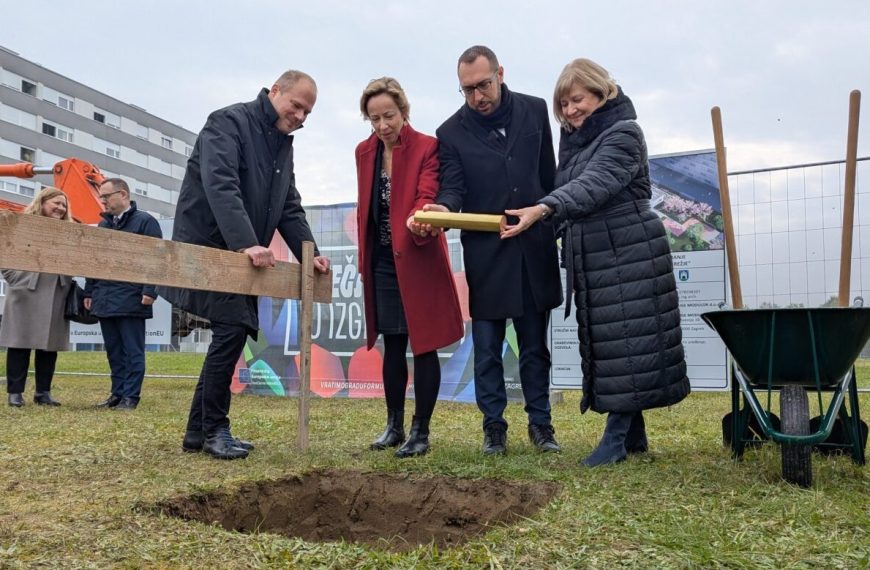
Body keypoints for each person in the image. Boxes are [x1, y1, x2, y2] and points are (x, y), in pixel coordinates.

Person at [500, 58, 690, 467]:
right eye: (563, 104)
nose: (570, 110)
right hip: (599, 254)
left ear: (602, 94)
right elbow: (572, 192)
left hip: (629, 249)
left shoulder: (624, 135)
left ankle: (616, 439)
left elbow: (595, 184)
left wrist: (544, 208)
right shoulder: (578, 145)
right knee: (617, 344)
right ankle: (633, 435)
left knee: (625, 338)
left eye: (578, 99)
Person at [160, 70, 330, 460]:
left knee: (230, 332)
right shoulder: (227, 122)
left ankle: (197, 431)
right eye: (296, 105)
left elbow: (288, 206)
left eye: (308, 112)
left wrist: (311, 252)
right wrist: (246, 242)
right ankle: (215, 428)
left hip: (243, 250)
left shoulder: (282, 145)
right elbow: (220, 184)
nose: (301, 116)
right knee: (233, 327)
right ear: (275, 91)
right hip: (211, 245)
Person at [426, 45, 563, 455]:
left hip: (533, 249)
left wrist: (549, 223)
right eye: (467, 90)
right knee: (487, 348)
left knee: (535, 346)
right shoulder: (450, 133)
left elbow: (548, 176)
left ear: (500, 73)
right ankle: (494, 428)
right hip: (487, 254)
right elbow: (454, 187)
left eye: (483, 85)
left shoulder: (536, 110)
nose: (476, 97)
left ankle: (541, 425)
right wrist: (444, 207)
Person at [355, 77, 464, 458]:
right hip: (383, 262)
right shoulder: (364, 152)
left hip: (418, 258)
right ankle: (394, 426)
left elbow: (426, 193)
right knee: (392, 344)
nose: (382, 125)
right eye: (374, 118)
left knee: (424, 346)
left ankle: (421, 431)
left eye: (388, 115)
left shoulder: (427, 147)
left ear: (404, 111)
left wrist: (420, 219)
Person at [84, 178, 162, 411]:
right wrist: (90, 290)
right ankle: (117, 394)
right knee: (114, 351)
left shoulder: (145, 222)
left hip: (132, 296)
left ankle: (131, 397)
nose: (103, 201)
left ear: (123, 195)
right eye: (102, 197)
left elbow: (157, 258)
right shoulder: (103, 225)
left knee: (132, 351)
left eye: (106, 196)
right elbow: (96, 261)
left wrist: (150, 290)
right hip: (105, 297)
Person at [1, 187, 74, 407]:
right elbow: (4, 253)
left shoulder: (68, 231)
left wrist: (65, 281)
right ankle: (15, 393)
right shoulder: (21, 225)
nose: (60, 208)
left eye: (64, 205)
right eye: (56, 203)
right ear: (42, 202)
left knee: (48, 345)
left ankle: (43, 392)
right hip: (25, 291)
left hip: (55, 291)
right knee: (19, 343)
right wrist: (15, 278)